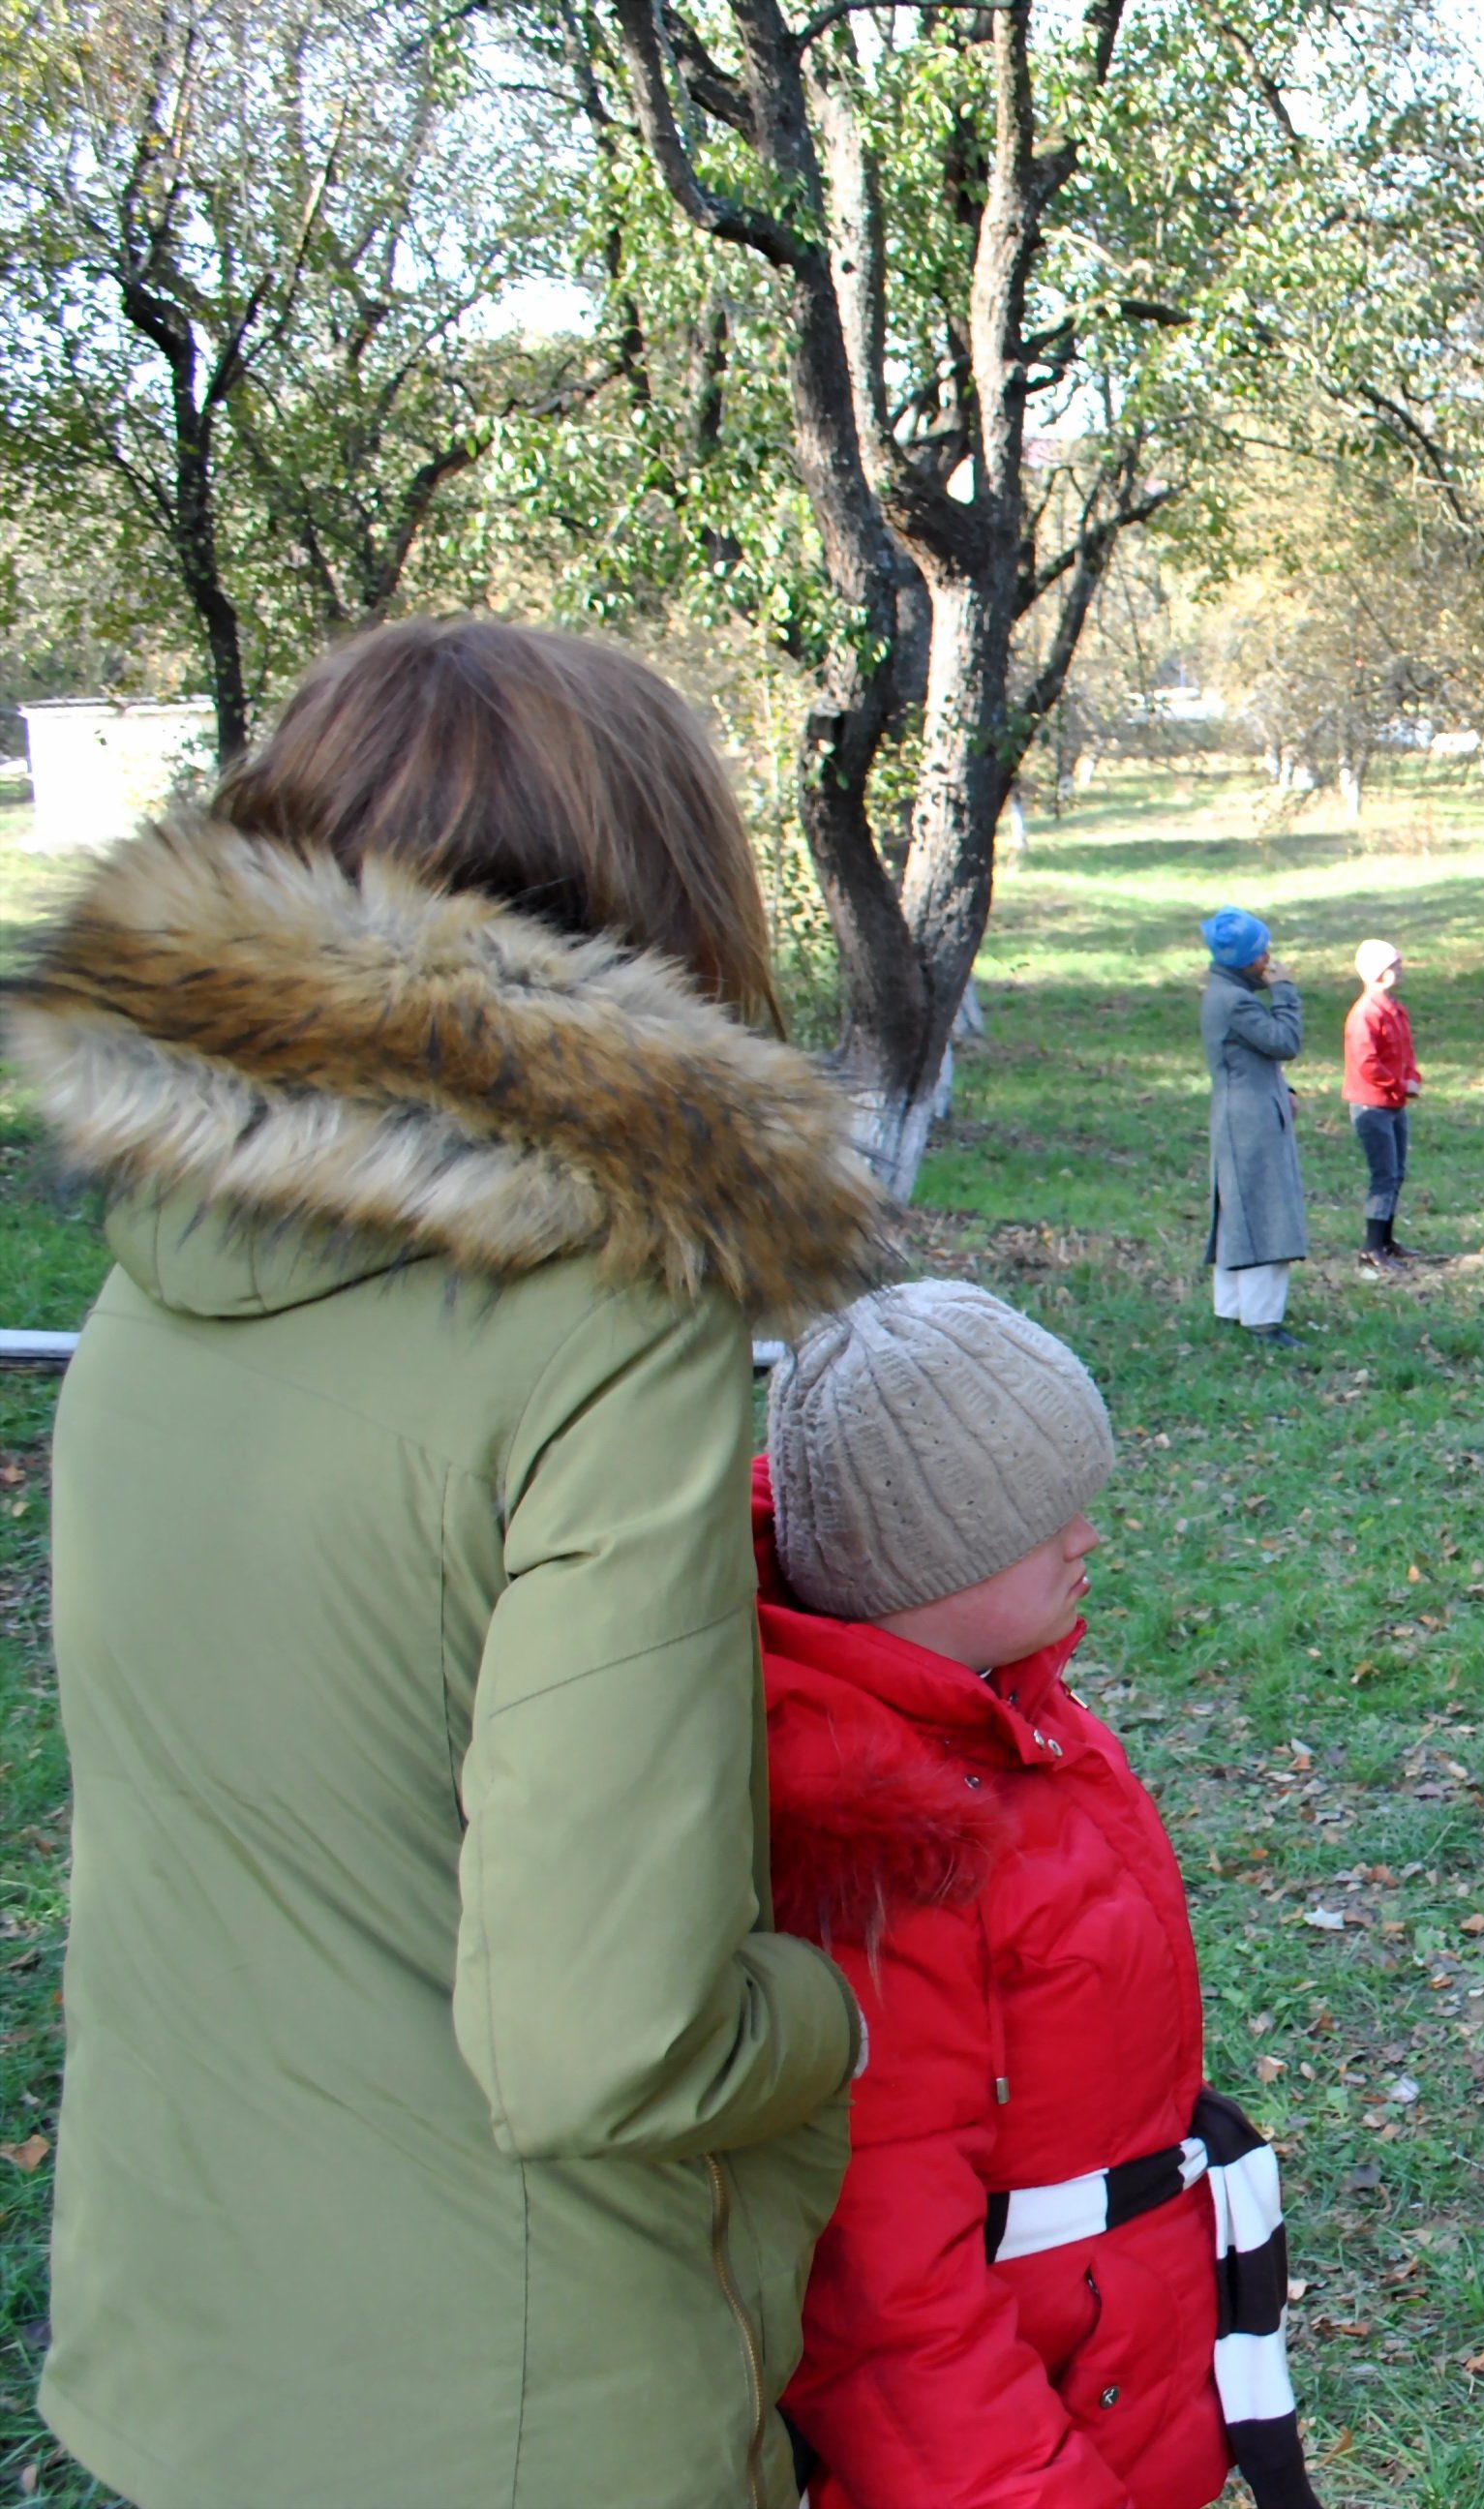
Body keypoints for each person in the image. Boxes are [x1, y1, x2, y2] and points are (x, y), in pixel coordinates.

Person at [9, 619, 883, 2507]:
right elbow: (604, 2040)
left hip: (189, 2347)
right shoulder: (611, 1315)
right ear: (658, 902)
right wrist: (845, 2008)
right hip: (521, 2405)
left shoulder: (156, 1278)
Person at [758, 1283, 1320, 2509]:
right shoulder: (879, 1850)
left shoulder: (1011, 1715)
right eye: (1038, 1520)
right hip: (1019, 2437)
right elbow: (888, 2292)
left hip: (1116, 2371)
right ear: (918, 1560)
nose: (1086, 1538)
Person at [1202, 909, 1308, 1347]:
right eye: (1262, 952)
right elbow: (1285, 1042)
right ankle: (1263, 1321)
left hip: (1240, 1110)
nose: (1269, 958)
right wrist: (1284, 991)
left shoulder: (1222, 991)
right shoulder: (1237, 1001)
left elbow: (1250, 1055)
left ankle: (1231, 1308)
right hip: (1251, 1121)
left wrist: (1284, 1089)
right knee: (1265, 1214)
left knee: (1237, 1212)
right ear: (1244, 959)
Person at [1344, 937, 1423, 1271]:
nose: (1400, 970)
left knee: (1396, 1173)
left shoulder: (1394, 1009)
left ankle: (1387, 1241)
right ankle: (1371, 1246)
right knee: (1384, 1174)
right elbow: (1367, 1064)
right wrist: (1400, 1084)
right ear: (1377, 972)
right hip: (1372, 1105)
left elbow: (1405, 1051)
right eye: (1394, 966)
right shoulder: (1366, 1014)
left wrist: (1412, 1077)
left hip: (1393, 1103)